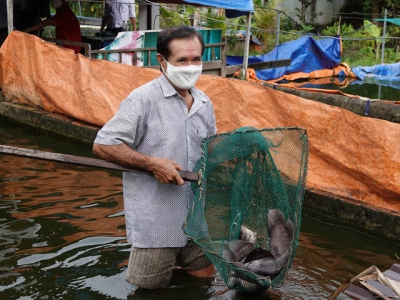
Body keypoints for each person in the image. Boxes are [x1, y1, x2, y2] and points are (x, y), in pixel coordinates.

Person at [92, 25, 216, 289]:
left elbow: (209, 149)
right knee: (149, 291)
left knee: (205, 281)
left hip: (195, 219)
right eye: (182, 60)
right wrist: (152, 162)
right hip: (157, 221)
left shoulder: (205, 103)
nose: (190, 66)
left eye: (196, 59)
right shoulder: (142, 100)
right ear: (162, 60)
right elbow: (104, 144)